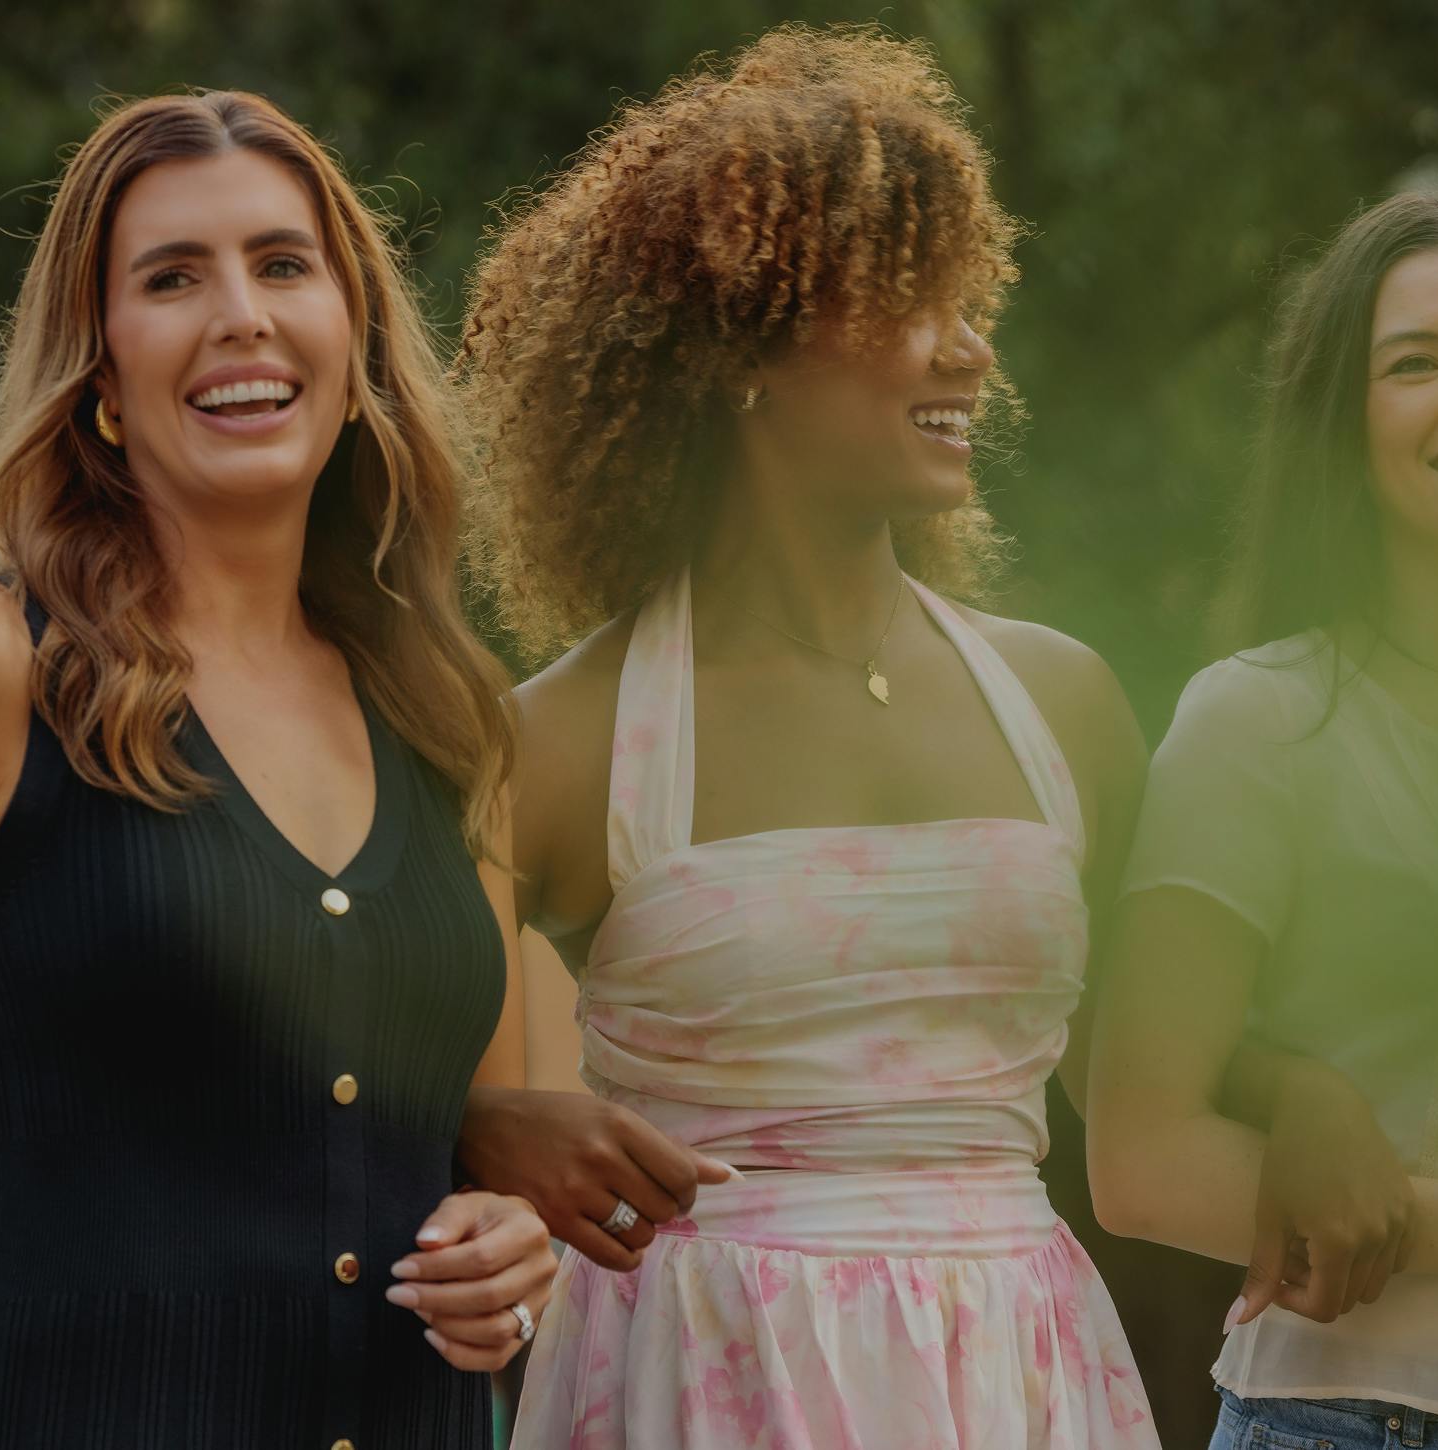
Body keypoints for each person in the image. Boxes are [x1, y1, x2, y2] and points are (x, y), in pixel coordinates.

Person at [454, 24, 1161, 1449]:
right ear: (740, 352)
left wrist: (1313, 1093)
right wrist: (477, 1130)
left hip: (1018, 1367)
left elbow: (1156, 1103)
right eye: (912, 299)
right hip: (701, 1371)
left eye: (970, 298)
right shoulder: (554, 742)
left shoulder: (1065, 701)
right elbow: (357, 1073)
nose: (968, 346)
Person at [0, 91, 556, 1449]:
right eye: (173, 278)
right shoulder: (4, 664)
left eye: (282, 264)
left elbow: (493, 1143)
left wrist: (510, 1249)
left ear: (351, 344)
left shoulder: (453, 721)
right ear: (100, 373)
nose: (240, 312)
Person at [1087, 190, 1438, 1447]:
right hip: (1372, 1417)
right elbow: (1139, 1155)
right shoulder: (1260, 721)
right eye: (1417, 364)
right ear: (1344, 423)